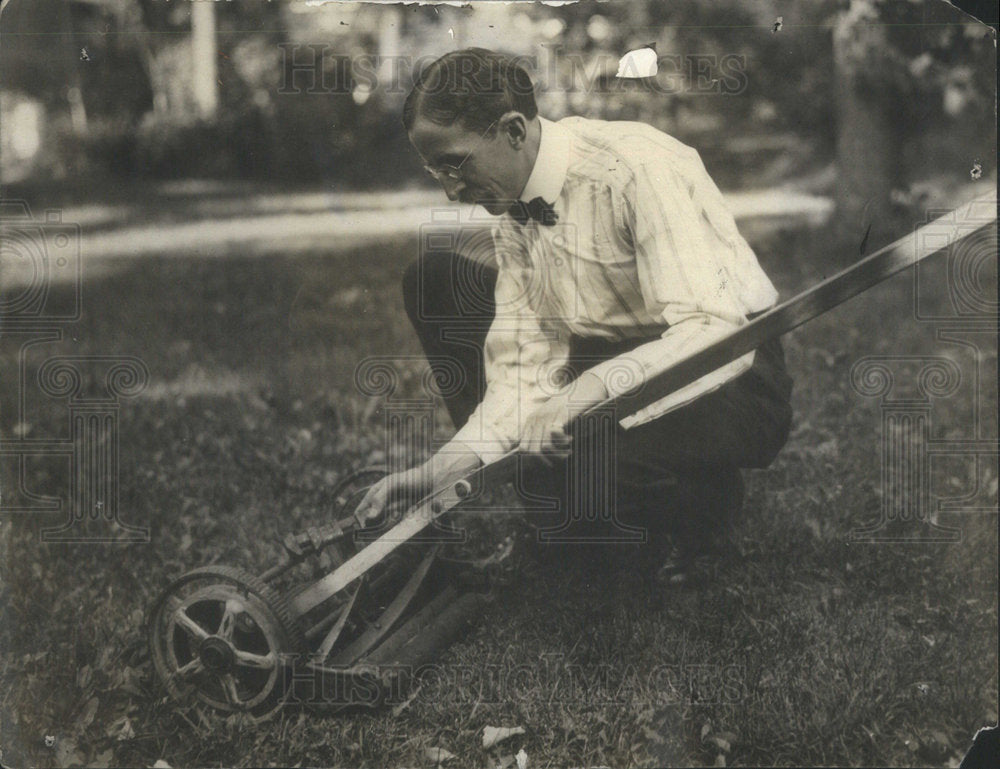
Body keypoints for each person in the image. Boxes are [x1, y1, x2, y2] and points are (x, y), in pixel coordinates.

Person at [357, 48, 792, 579]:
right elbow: (524, 358)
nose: (450, 191)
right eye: (434, 170)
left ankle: (703, 502)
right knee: (435, 279)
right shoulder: (514, 205)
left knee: (595, 520)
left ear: (514, 131)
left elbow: (713, 329)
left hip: (730, 375)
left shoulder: (637, 167)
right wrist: (446, 465)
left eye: (455, 164)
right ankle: (558, 498)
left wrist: (581, 397)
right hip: (608, 362)